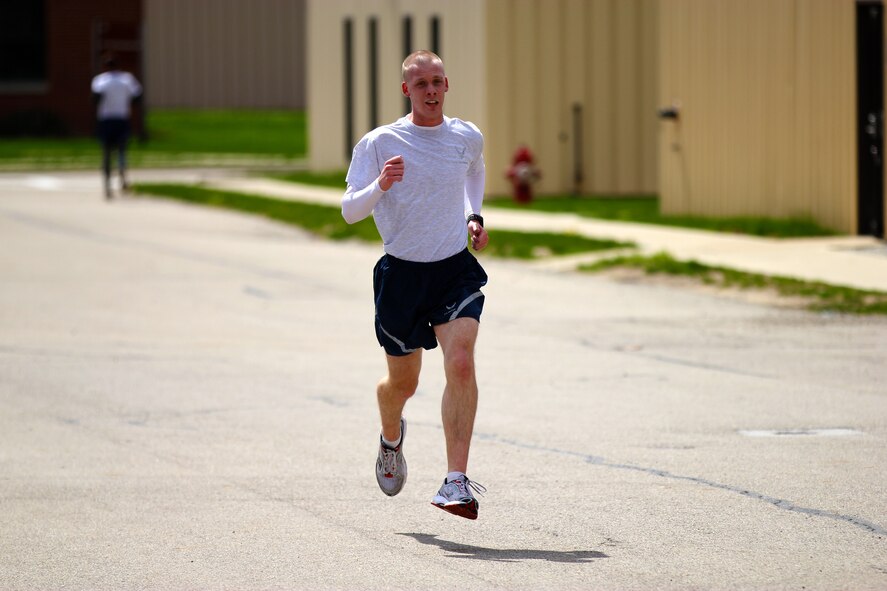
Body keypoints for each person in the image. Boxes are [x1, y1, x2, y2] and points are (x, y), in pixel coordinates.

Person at [342, 50, 490, 520]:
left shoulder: (465, 136)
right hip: (401, 276)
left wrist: (474, 214)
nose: (431, 90)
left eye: (438, 81)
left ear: (447, 85)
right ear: (406, 90)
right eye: (421, 83)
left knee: (461, 363)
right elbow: (349, 211)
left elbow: (475, 169)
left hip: (452, 269)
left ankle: (455, 482)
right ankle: (390, 439)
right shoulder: (380, 143)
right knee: (401, 385)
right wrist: (381, 185)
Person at [91, 57, 142, 199]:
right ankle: (123, 177)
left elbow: (95, 98)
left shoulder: (100, 80)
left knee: (106, 151)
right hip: (122, 118)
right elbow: (138, 96)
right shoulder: (126, 79)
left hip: (106, 118)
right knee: (122, 149)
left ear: (104, 67)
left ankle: (107, 185)